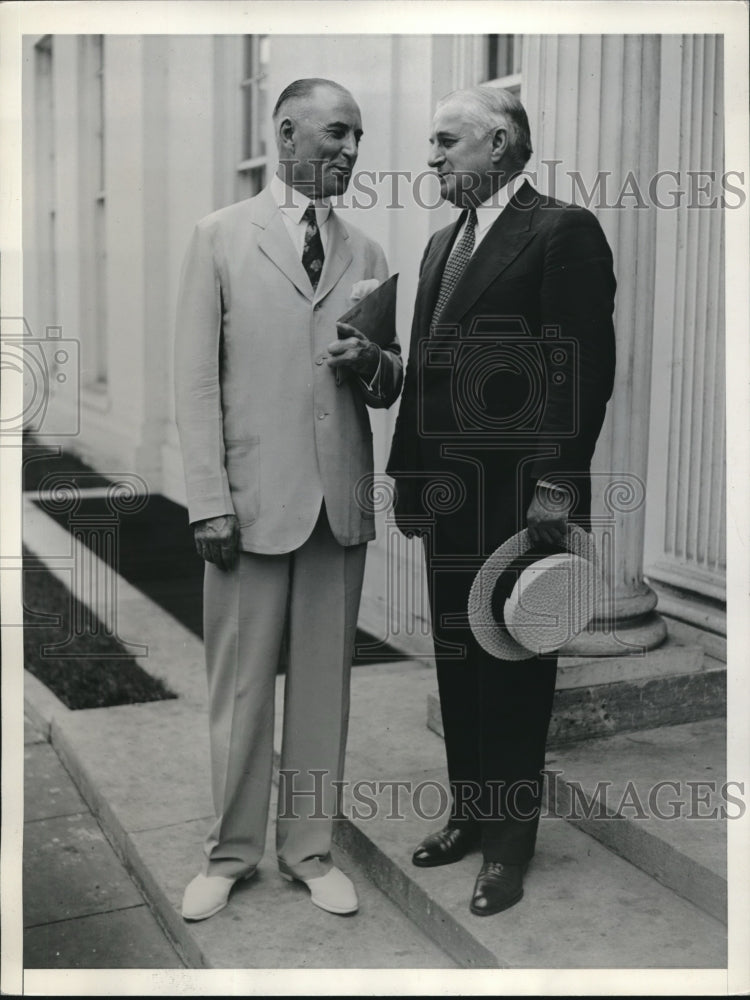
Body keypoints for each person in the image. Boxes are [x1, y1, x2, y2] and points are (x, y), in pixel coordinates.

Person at [174, 78, 402, 921]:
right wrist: (208, 500)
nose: (349, 150)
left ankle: (308, 849)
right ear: (286, 132)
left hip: (336, 506)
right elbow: (195, 381)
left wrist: (370, 364)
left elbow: (389, 381)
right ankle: (230, 854)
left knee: (324, 687)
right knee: (239, 690)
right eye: (337, 132)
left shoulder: (370, 253)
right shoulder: (220, 239)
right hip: (249, 504)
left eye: (358, 137)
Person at [386, 86, 616, 916]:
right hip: (445, 500)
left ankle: (509, 849)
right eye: (434, 143)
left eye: (448, 142)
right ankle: (469, 819)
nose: (434, 157)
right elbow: (420, 379)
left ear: (502, 143)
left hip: (519, 501)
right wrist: (411, 480)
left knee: (513, 667)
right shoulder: (442, 244)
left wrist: (556, 488)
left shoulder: (561, 230)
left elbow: (580, 367)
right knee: (456, 659)